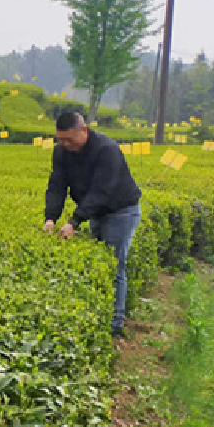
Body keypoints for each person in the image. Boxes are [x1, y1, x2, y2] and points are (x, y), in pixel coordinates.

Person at [43, 111, 141, 337]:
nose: (66, 144)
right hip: (96, 212)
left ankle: (115, 323)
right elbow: (57, 185)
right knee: (99, 264)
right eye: (61, 139)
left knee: (114, 264)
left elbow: (101, 191)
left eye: (70, 139)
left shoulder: (107, 150)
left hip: (120, 211)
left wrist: (74, 222)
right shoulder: (61, 152)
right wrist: (51, 218)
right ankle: (98, 319)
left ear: (84, 130)